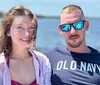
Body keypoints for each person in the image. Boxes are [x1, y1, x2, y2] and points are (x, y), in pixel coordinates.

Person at [44, 4, 100, 85]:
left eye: (78, 25)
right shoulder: (47, 59)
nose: (73, 32)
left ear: (86, 26)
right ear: (60, 29)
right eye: (66, 27)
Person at [0, 5, 51, 85]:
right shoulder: (1, 65)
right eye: (20, 27)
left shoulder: (43, 61)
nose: (27, 34)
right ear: (8, 31)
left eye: (31, 27)